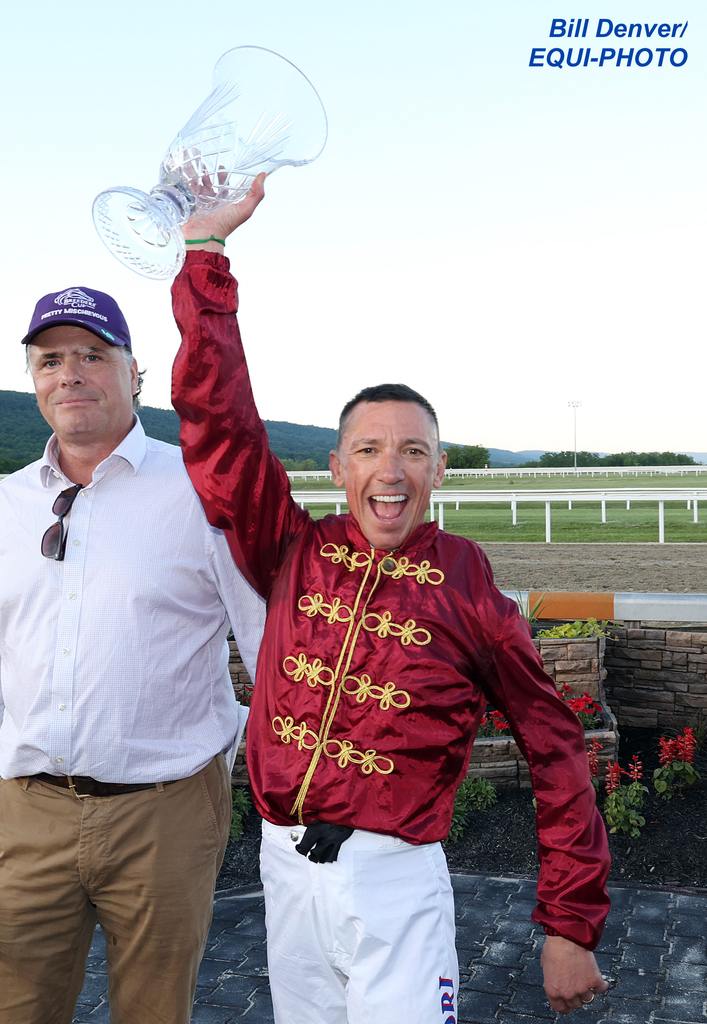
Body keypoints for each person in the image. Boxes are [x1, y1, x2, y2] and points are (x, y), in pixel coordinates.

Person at [170, 175, 611, 1023]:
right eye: (369, 449)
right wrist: (206, 258)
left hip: (393, 883)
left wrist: (570, 921)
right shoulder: (293, 547)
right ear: (337, 469)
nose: (392, 469)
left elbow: (555, 744)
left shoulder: (469, 587)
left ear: (439, 470)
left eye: (414, 450)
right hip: (282, 868)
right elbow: (220, 424)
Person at [0, 281, 265, 1024]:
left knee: (154, 1013)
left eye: (92, 354)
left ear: (133, 372)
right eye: (50, 360)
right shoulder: (7, 505)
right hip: (25, 812)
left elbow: (271, 646)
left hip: (164, 812)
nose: (69, 374)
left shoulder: (202, 495)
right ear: (33, 380)